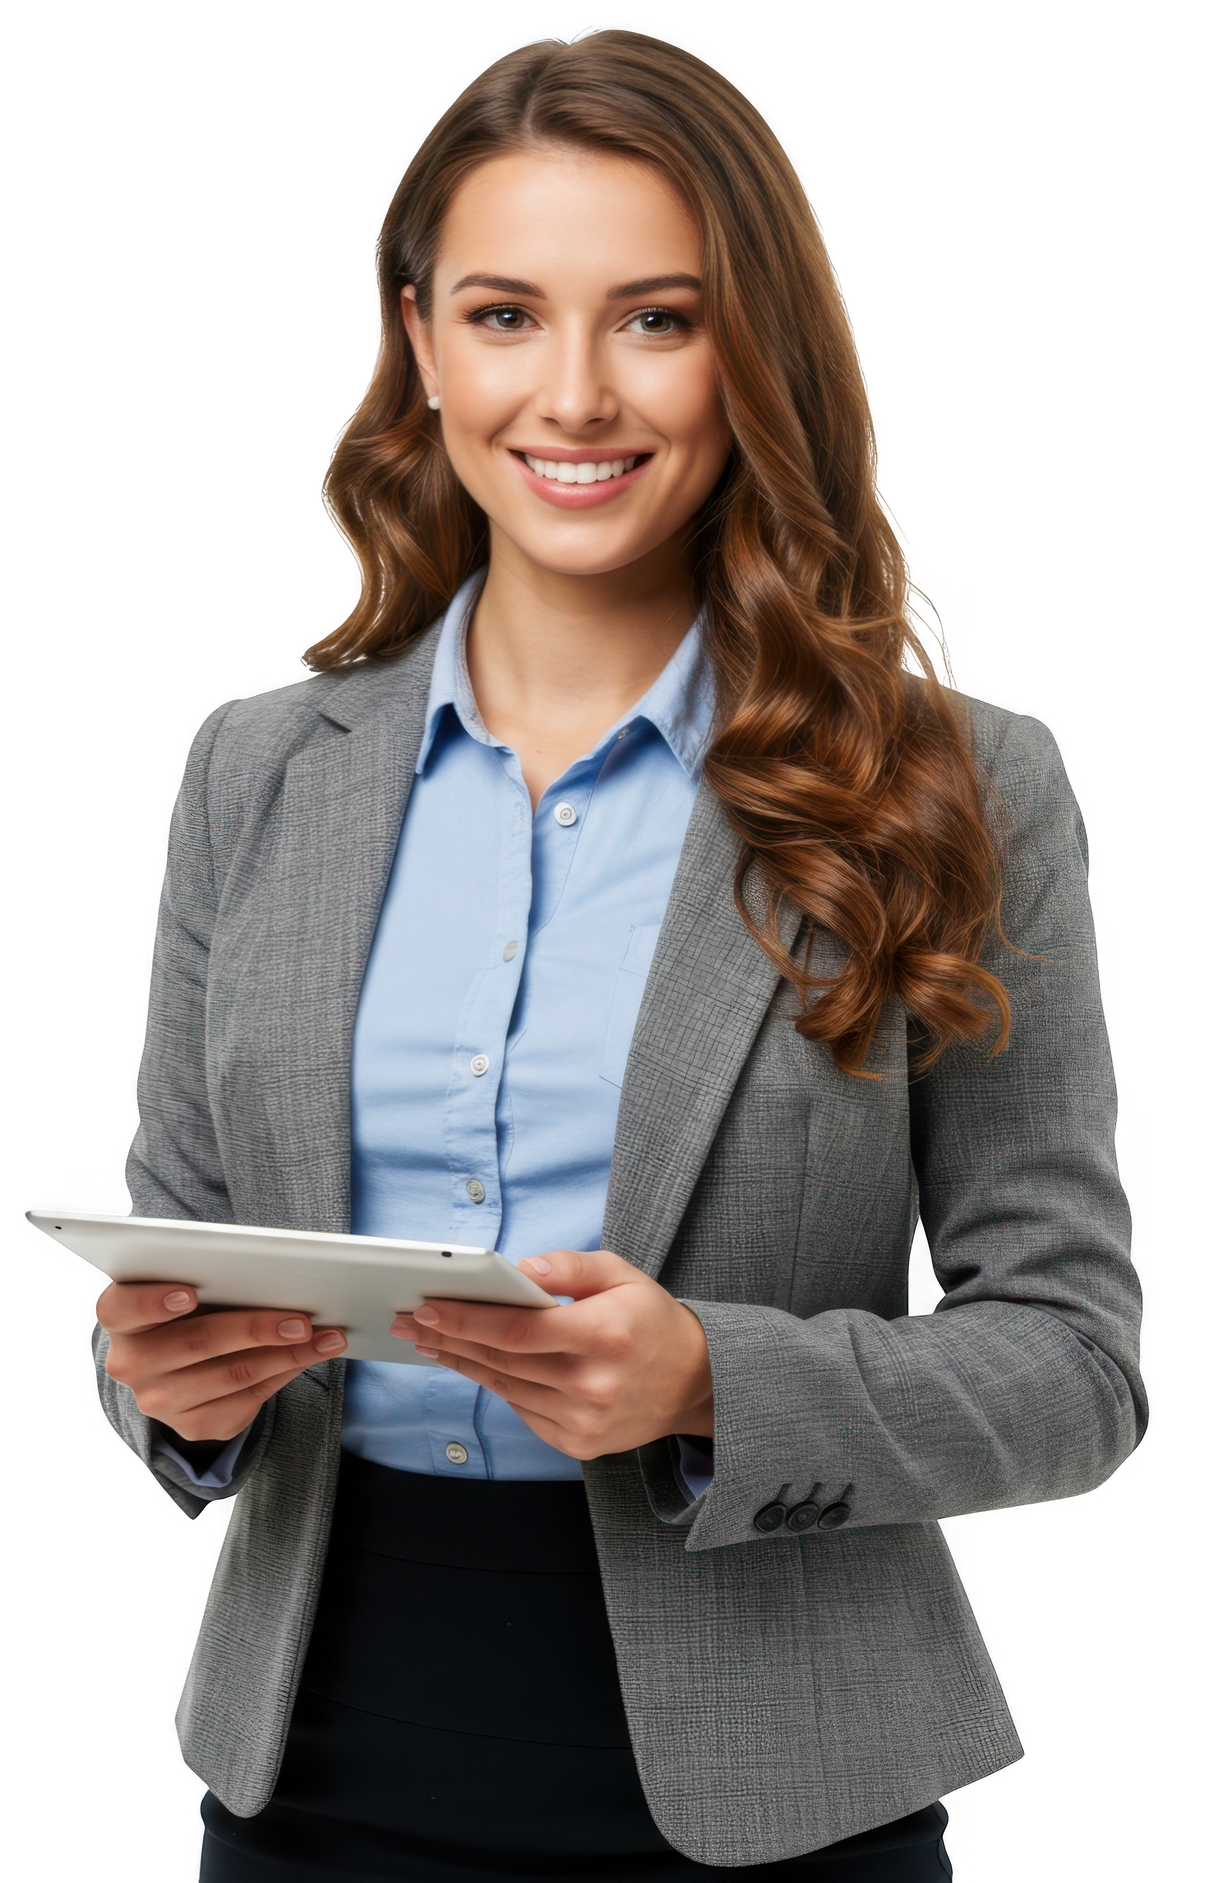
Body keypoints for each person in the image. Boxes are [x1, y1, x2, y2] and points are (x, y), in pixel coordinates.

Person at [89, 27, 1146, 1883]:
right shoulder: (253, 771)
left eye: (657, 318)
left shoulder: (962, 785)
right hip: (304, 1770)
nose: (574, 395)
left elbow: (1073, 1368)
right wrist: (166, 1394)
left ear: (758, 351)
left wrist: (711, 1382)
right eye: (507, 314)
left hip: (787, 1792)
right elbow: (168, 1257)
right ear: (420, 343)